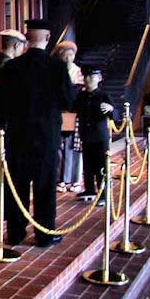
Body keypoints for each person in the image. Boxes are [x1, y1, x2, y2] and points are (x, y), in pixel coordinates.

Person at [0, 19, 76, 248]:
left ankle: (15, 233)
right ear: (48, 37)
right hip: (47, 135)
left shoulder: (12, 67)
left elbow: (2, 103)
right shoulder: (58, 67)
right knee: (45, 186)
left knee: (17, 185)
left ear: (26, 37)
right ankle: (44, 234)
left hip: (17, 136)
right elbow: (68, 101)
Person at [0, 29, 26, 216]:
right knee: (8, 167)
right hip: (8, 124)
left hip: (0, 122)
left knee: (3, 166)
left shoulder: (0, 64)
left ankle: (1, 205)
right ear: (16, 45)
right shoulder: (9, 67)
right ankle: (3, 205)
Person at [74, 67, 116, 204]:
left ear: (99, 78)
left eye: (92, 77)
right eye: (86, 77)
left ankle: (103, 193)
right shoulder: (81, 95)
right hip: (86, 135)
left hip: (100, 136)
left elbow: (115, 115)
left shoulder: (104, 95)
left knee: (101, 166)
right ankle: (89, 189)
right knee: (87, 165)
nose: (88, 80)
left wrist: (111, 109)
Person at [52, 41, 83, 194]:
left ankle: (76, 180)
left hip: (74, 113)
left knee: (74, 147)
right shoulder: (56, 71)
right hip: (58, 113)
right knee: (59, 148)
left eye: (71, 54)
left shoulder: (79, 72)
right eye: (65, 55)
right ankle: (61, 179)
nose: (68, 58)